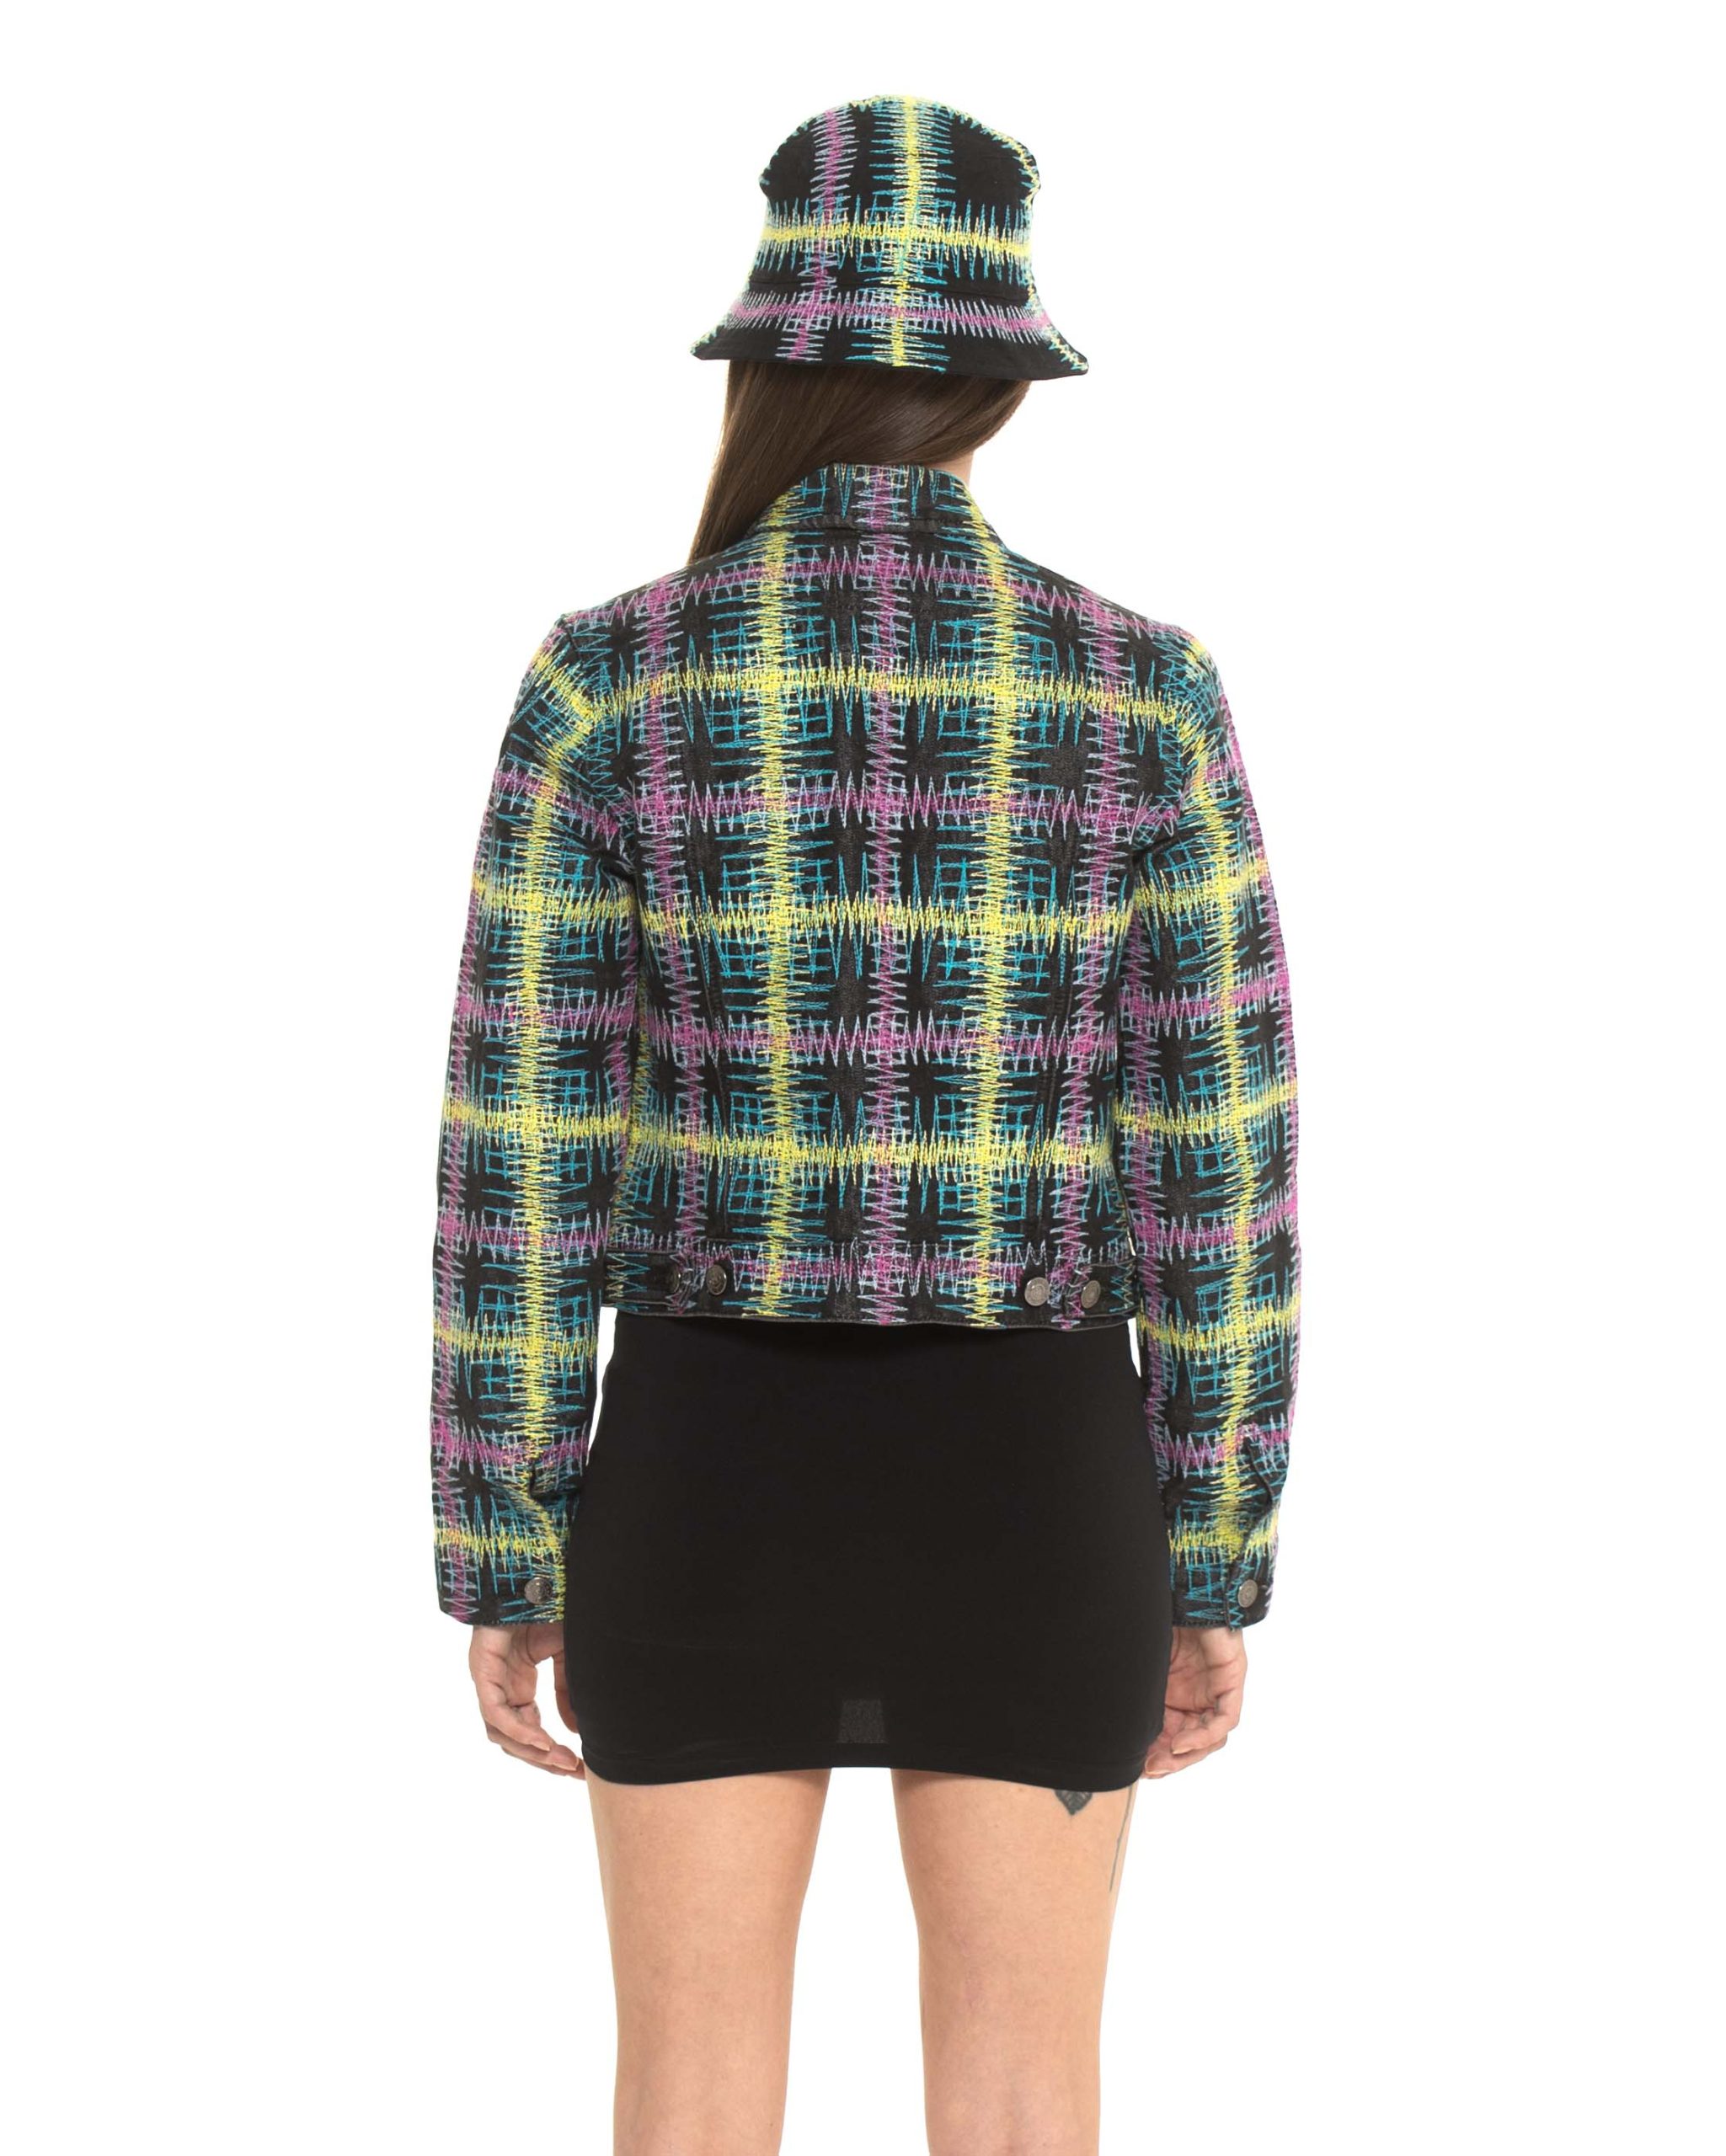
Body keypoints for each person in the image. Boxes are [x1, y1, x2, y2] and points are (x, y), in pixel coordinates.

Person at [429, 93, 1301, 2155]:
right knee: (1022, 2105)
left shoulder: (609, 681)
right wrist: (1213, 1547)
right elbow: (1220, 1172)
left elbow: (518, 1150)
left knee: (687, 2100)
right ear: (997, 383)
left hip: (704, 1461)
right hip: (1037, 1472)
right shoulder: (1140, 693)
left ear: (765, 360)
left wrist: (504, 1533)